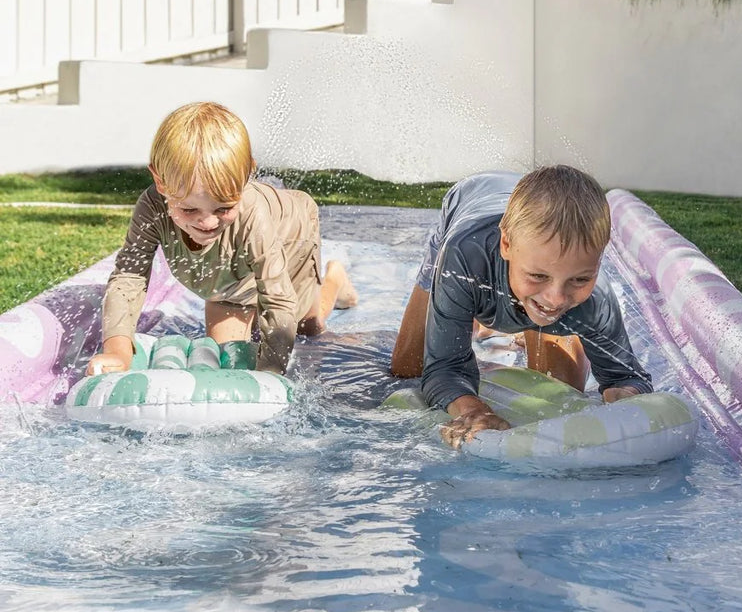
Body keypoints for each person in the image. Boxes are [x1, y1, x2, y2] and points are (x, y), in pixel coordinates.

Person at [87, 101, 357, 377]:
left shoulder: (254, 216)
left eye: (224, 208)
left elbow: (277, 301)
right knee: (225, 357)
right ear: (160, 182)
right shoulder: (153, 207)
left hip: (291, 238)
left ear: (246, 177)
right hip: (227, 281)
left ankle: (335, 279)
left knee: (306, 329)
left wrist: (270, 374)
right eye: (189, 209)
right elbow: (129, 277)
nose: (207, 223)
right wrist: (118, 351)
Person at [390, 166, 652, 448]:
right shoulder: (463, 257)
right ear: (506, 244)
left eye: (580, 278)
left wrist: (624, 396)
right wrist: (474, 412)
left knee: (561, 393)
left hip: (519, 252)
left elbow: (627, 375)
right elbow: (444, 368)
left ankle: (515, 317)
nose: (556, 298)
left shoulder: (595, 299)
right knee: (408, 367)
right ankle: (475, 311)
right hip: (470, 205)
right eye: (538, 276)